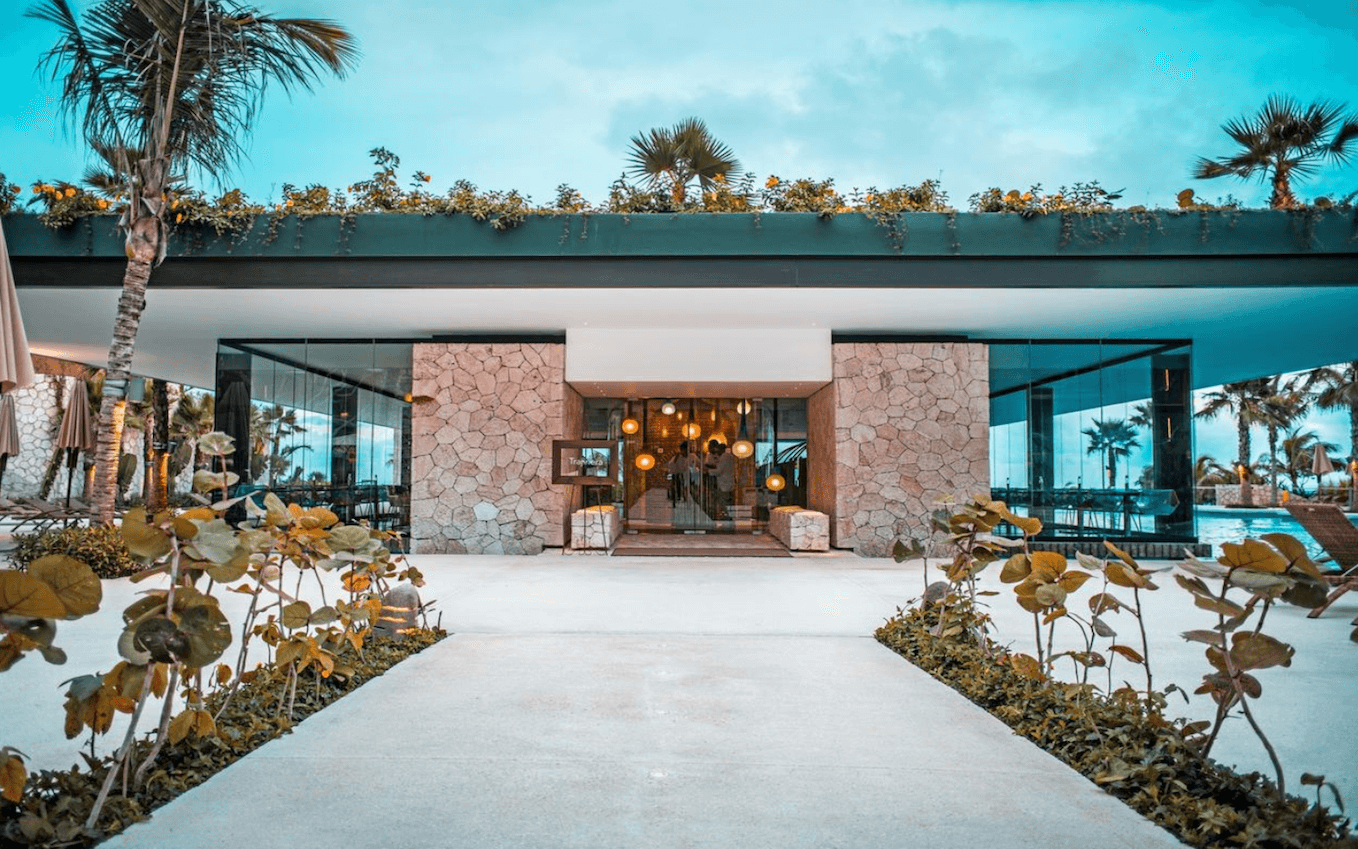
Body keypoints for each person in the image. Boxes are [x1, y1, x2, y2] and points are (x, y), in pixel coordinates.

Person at [706, 439, 736, 520]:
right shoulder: (729, 456)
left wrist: (707, 471)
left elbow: (719, 471)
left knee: (724, 502)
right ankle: (728, 517)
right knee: (728, 503)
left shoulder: (724, 456)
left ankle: (727, 518)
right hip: (728, 483)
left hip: (724, 484)